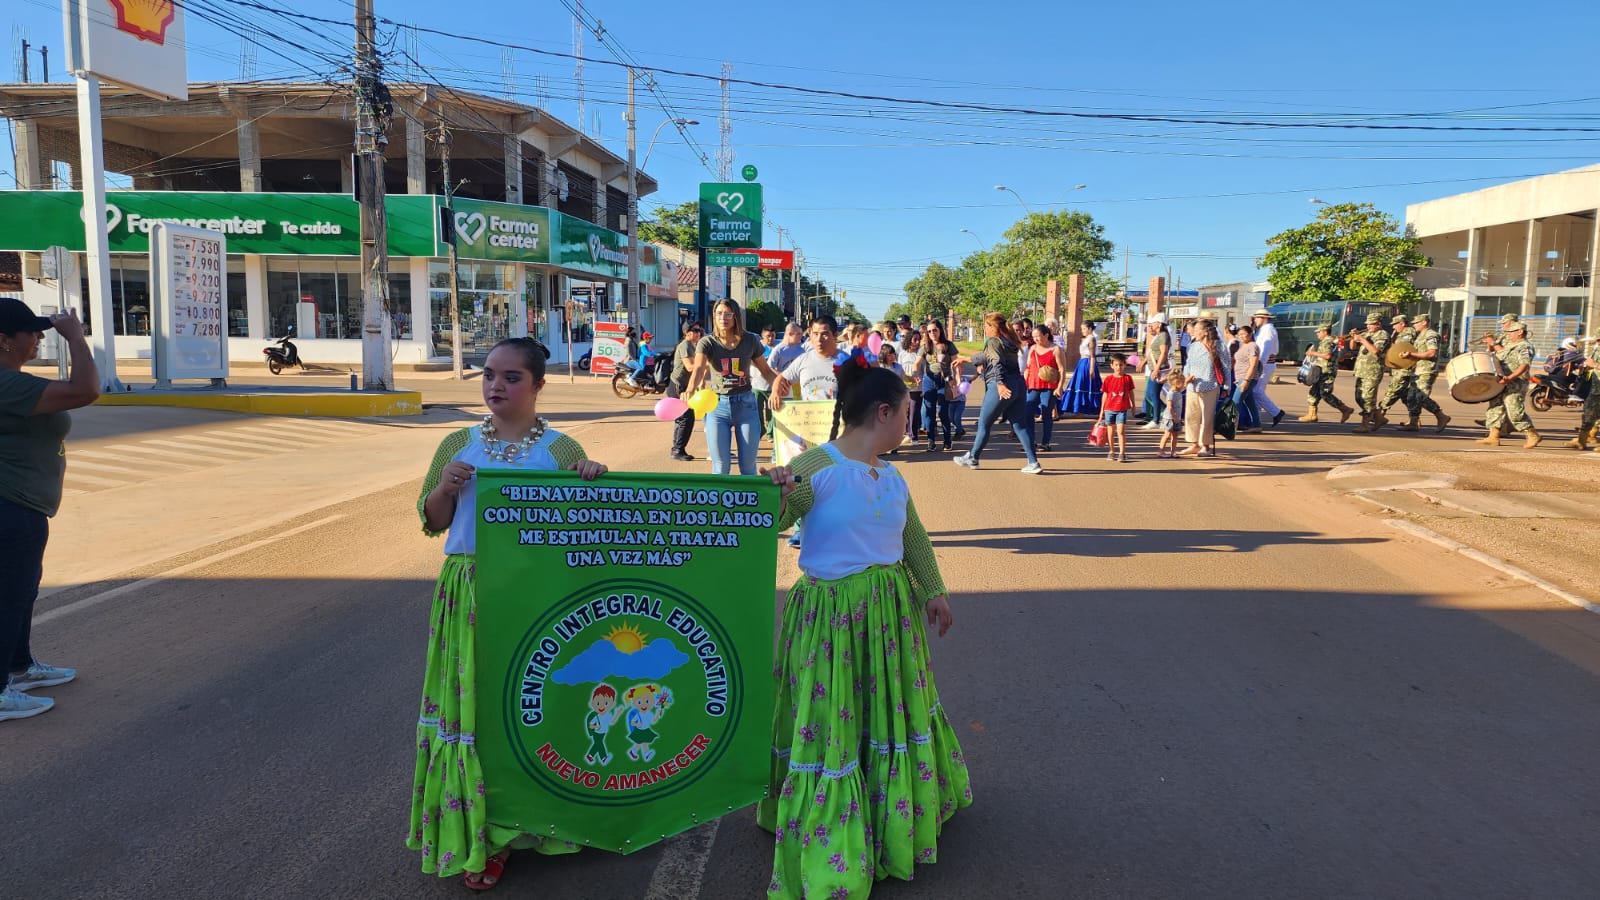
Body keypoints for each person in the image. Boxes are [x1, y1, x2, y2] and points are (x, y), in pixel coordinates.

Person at [757, 361, 970, 900]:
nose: (908, 424)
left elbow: (913, 537)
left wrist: (933, 591)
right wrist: (776, 493)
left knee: (885, 711)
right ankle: (834, 833)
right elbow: (775, 520)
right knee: (835, 720)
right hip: (831, 617)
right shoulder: (815, 465)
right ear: (883, 412)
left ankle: (888, 809)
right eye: (906, 413)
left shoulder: (892, 474)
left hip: (890, 614)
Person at [409, 337, 608, 887]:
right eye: (490, 375)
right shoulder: (458, 442)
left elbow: (589, 530)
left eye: (512, 377)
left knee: (526, 711)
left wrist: (592, 479)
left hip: (533, 595)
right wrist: (446, 488)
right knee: (474, 714)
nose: (497, 385)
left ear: (539, 385)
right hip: (470, 588)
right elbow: (433, 519)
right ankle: (484, 833)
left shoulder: (563, 450)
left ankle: (537, 820)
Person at [0, 302, 99, 723]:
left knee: (22, 592)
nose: (40, 338)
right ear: (4, 340)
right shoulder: (6, 385)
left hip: (24, 504)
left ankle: (19, 668)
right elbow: (85, 390)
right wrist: (75, 337)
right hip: (10, 507)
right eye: (32, 332)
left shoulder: (15, 382)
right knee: (9, 597)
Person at [684, 299, 782, 475]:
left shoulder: (750, 340)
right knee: (720, 466)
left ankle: (749, 501)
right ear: (714, 316)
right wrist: (690, 389)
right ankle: (721, 502)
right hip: (717, 407)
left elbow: (766, 371)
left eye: (728, 313)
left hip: (745, 405)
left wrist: (779, 387)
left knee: (748, 466)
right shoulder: (707, 342)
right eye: (719, 313)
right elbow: (698, 368)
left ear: (736, 316)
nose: (723, 318)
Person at [953, 313, 1043, 474]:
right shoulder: (1009, 340)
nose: (985, 329)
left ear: (993, 327)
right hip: (1018, 385)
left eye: (986, 326)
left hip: (1000, 385)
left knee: (984, 424)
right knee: (1020, 425)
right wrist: (966, 359)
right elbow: (986, 356)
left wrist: (1000, 384)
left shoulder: (994, 341)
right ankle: (1033, 462)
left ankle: (973, 457)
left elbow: (996, 362)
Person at [1477, 315, 1541, 449]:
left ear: (1520, 332)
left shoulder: (1524, 346)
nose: (1508, 335)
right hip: (1502, 380)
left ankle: (1532, 434)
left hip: (1515, 382)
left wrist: (1510, 377)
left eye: (1511, 332)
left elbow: (1524, 365)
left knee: (1515, 410)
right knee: (1495, 406)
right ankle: (1493, 436)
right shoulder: (1510, 345)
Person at [1396, 311, 1450, 433]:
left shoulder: (1431, 335)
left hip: (1427, 370)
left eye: (1416, 323)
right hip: (1417, 370)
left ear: (1424, 322)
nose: (1414, 325)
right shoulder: (1420, 335)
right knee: (1411, 397)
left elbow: (1432, 353)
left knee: (1421, 397)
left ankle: (1441, 416)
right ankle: (1413, 422)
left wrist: (1411, 354)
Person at [1179, 318, 1225, 457]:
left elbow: (1226, 366)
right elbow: (1188, 364)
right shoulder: (1193, 346)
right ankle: (1194, 444)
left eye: (1197, 329)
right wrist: (1186, 377)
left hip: (1210, 385)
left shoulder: (1219, 345)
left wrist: (1227, 385)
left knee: (1207, 417)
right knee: (1191, 416)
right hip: (1193, 385)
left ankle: (1205, 445)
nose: (1194, 332)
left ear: (1205, 332)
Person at [1297, 323, 1356, 423]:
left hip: (1326, 371)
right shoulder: (1331, 340)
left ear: (1324, 332)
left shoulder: (1327, 342)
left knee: (1325, 393)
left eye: (1319, 332)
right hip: (1321, 370)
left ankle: (1345, 409)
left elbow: (1327, 356)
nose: (1317, 334)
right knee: (1313, 392)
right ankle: (1312, 415)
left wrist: (1312, 353)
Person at [1025, 324, 1069, 451]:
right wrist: (1026, 380)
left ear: (1046, 335)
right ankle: (1030, 441)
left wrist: (1059, 387)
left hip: (1049, 387)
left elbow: (1062, 369)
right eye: (1034, 337)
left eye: (1038, 336)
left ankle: (1045, 442)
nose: (1036, 339)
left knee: (1046, 414)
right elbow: (1028, 366)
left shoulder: (1056, 349)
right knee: (1028, 412)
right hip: (1033, 385)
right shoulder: (1033, 348)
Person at [665, 321, 704, 462]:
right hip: (677, 386)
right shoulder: (685, 345)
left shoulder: (693, 346)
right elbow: (689, 367)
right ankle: (677, 450)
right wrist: (704, 364)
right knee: (686, 418)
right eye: (695, 330)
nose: (698, 333)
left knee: (682, 418)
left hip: (681, 386)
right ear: (687, 332)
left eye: (700, 330)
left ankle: (677, 448)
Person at [917, 321, 959, 452]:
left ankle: (947, 441)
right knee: (929, 411)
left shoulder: (948, 345)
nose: (932, 333)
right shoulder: (925, 346)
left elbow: (956, 363)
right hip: (929, 380)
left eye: (934, 330)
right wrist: (915, 373)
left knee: (942, 412)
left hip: (944, 381)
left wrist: (956, 380)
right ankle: (931, 441)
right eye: (929, 331)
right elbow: (917, 362)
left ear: (940, 330)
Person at [1350, 313, 1391, 434]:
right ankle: (1379, 418)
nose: (1368, 326)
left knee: (1368, 398)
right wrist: (1354, 337)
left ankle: (1365, 424)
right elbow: (1352, 347)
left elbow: (1376, 351)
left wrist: (1362, 339)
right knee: (1359, 397)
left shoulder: (1382, 335)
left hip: (1373, 371)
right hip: (1361, 370)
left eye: (1371, 324)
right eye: (1367, 324)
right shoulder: (1367, 334)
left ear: (1378, 324)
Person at [1250, 309, 1286, 427]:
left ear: (1264, 318)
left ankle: (1276, 412)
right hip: (1264, 363)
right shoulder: (1263, 330)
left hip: (1265, 364)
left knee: (1256, 391)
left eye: (1257, 317)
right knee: (1257, 391)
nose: (1255, 319)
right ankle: (1256, 419)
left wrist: (1258, 365)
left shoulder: (1268, 330)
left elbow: (1265, 349)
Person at [1378, 314, 1417, 423]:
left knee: (1392, 390)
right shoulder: (1399, 334)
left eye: (1395, 324)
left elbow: (1403, 348)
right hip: (1399, 368)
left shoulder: (1408, 332)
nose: (1393, 327)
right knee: (1405, 396)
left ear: (1402, 324)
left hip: (1404, 368)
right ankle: (1414, 420)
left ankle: (1380, 414)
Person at [1565, 336, 1600, 450]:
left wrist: (1594, 365)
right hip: (1594, 389)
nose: (1597, 342)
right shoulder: (1597, 349)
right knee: (1588, 415)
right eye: (1597, 339)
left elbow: (1594, 364)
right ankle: (1581, 440)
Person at [1099, 353, 1135, 461]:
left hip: (1122, 409)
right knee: (1110, 431)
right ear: (1112, 365)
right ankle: (1111, 451)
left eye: (1121, 365)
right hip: (1109, 408)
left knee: (1121, 431)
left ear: (1125, 365)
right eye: (1116, 365)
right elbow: (1105, 394)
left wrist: (1133, 405)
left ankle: (1122, 452)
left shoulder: (1127, 378)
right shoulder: (1108, 379)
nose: (1118, 367)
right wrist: (1102, 410)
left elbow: (1130, 392)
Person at [1060, 320, 1101, 417]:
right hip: (1082, 363)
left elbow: (1092, 355)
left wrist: (1091, 368)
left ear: (1090, 329)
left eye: (1084, 329)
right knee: (1080, 385)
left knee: (1086, 385)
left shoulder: (1091, 339)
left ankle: (1094, 410)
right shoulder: (1087, 339)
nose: (1082, 331)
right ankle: (1079, 410)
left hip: (1087, 363)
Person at [1139, 313, 1172, 428]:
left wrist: (1156, 369)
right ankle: (1166, 413)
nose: (1151, 325)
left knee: (1153, 394)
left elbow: (1164, 353)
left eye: (1153, 323)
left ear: (1159, 324)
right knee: (1150, 394)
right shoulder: (1159, 335)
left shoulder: (1163, 335)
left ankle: (1157, 419)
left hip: (1159, 369)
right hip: (1154, 367)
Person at [750, 327, 781, 441]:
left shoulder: (779, 346)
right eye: (768, 336)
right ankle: (761, 429)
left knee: (772, 411)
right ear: (762, 336)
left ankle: (770, 433)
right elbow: (750, 360)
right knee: (757, 412)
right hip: (757, 385)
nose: (771, 338)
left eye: (773, 335)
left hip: (772, 385)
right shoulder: (756, 346)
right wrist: (761, 363)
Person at [1231, 324, 1262, 433]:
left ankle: (1231, 426)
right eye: (1239, 334)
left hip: (1248, 378)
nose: (1241, 336)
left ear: (1250, 334)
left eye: (1244, 334)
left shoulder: (1252, 346)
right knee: (1250, 402)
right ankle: (1257, 424)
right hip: (1240, 377)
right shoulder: (1242, 345)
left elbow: (1253, 365)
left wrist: (1246, 380)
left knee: (1235, 402)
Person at [1157, 370, 1186, 458]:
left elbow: (1185, 386)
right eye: (1181, 382)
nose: (1182, 384)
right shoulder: (1171, 394)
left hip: (1177, 417)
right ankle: (1161, 451)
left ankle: (1173, 451)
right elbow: (1169, 407)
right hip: (1170, 418)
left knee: (1175, 435)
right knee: (1167, 434)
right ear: (1175, 383)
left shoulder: (1179, 392)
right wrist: (1174, 417)